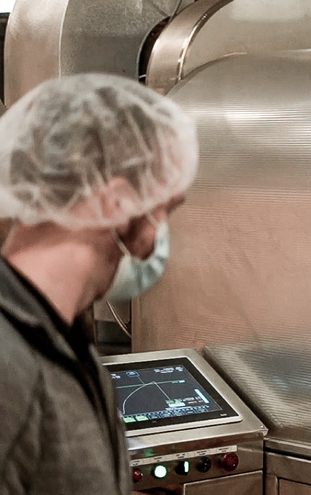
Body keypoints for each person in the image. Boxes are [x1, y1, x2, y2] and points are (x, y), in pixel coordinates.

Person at [0, 74, 198, 494]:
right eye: (164, 207)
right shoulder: (8, 367)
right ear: (115, 201)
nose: (160, 234)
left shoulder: (62, 345)